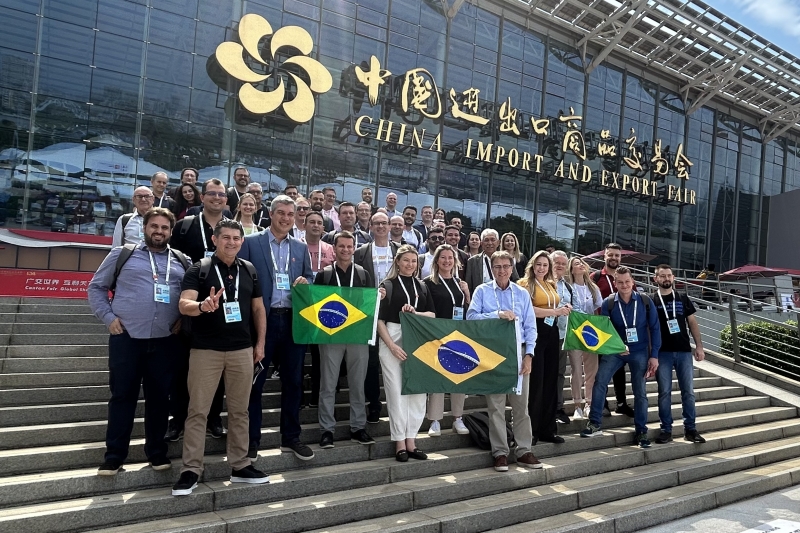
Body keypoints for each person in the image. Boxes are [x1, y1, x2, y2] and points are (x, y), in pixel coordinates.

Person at [171, 219, 268, 496]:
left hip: (241, 350)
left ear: (242, 241)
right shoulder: (199, 269)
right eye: (226, 237)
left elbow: (259, 310)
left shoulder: (249, 270)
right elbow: (184, 304)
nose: (232, 242)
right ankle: (191, 469)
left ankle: (240, 465)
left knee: (240, 411)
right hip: (206, 351)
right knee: (198, 411)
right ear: (215, 240)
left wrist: (259, 344)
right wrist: (203, 305)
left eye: (237, 238)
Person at [89, 208, 187, 476]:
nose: (159, 231)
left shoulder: (181, 260)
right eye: (154, 226)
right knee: (122, 397)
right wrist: (108, 317)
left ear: (171, 231)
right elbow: (96, 288)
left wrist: (184, 321)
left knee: (159, 400)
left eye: (165, 228)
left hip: (166, 341)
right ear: (145, 228)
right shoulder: (122, 254)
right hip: (127, 338)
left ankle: (156, 453)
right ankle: (114, 456)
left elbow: (191, 296)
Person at [239, 195, 315, 460]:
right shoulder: (251, 243)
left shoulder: (300, 247)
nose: (285, 218)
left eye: (290, 215)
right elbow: (241, 279)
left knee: (294, 382)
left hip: (293, 320)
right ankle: (251, 441)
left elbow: (311, 278)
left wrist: (307, 281)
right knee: (255, 383)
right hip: (262, 321)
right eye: (281, 213)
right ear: (271, 214)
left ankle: (291, 437)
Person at [167, 178, 230, 441]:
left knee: (217, 368)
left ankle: (213, 417)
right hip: (190, 308)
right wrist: (178, 312)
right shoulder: (185, 227)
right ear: (201, 197)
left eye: (221, 194)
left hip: (222, 310)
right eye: (212, 194)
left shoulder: (231, 229)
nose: (217, 198)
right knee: (182, 368)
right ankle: (178, 419)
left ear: (226, 200)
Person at [467, 250, 540, 471]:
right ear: (491, 268)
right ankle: (500, 452)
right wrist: (496, 314)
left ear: (512, 268)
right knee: (496, 407)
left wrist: (529, 355)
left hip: (518, 355)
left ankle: (524, 450)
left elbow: (530, 326)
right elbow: (470, 318)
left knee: (521, 407)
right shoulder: (481, 291)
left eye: (506, 266)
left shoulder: (522, 293)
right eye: (497, 266)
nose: (502, 270)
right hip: (492, 356)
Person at [581, 266, 660, 448]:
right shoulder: (609, 303)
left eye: (627, 281)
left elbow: (655, 329)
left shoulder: (644, 301)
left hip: (639, 352)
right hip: (616, 351)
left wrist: (654, 355)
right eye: (620, 282)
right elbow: (606, 329)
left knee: (640, 391)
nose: (624, 285)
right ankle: (594, 423)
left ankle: (641, 431)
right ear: (615, 283)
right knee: (600, 382)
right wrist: (616, 346)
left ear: (632, 282)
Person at [315, 231, 376, 449]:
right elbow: (316, 305)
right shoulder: (324, 274)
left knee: (357, 383)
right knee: (328, 384)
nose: (346, 250)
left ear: (354, 248)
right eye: (342, 246)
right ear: (335, 248)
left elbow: (370, 304)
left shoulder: (363, 274)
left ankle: (358, 427)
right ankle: (326, 430)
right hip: (331, 335)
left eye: (350, 247)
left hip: (357, 335)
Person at [377, 245, 436, 461]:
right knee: (396, 393)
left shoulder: (422, 285)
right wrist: (392, 346)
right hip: (392, 338)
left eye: (414, 261)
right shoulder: (387, 285)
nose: (410, 264)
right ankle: (399, 442)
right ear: (397, 262)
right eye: (406, 260)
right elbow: (379, 320)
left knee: (418, 392)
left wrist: (416, 313)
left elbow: (432, 314)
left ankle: (412, 440)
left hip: (417, 340)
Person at [518, 251, 571, 445]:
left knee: (550, 381)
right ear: (532, 265)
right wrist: (555, 311)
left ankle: (548, 429)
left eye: (545, 265)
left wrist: (562, 310)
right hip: (535, 332)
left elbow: (554, 308)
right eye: (538, 264)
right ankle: (530, 431)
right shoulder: (524, 284)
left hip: (552, 331)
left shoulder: (550, 284)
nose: (541, 268)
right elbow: (527, 310)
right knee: (536, 383)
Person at [354, 212, 400, 423]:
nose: (381, 226)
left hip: (395, 313)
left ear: (390, 226)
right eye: (377, 223)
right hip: (368, 312)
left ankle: (398, 406)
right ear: (370, 227)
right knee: (371, 363)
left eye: (384, 223)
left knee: (397, 360)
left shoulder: (400, 251)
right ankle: (373, 404)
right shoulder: (361, 252)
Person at [652, 264, 706, 444]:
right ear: (656, 279)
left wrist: (699, 346)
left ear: (673, 277)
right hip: (662, 353)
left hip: (683, 351)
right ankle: (666, 430)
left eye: (669, 275)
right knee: (664, 392)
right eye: (662, 276)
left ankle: (690, 429)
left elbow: (692, 322)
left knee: (688, 392)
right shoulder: (652, 300)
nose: (666, 279)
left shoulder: (682, 297)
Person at [422, 244, 471, 437]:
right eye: (443, 257)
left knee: (459, 377)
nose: (447, 261)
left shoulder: (460, 283)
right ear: (436, 261)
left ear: (455, 261)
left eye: (450, 258)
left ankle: (458, 417)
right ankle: (435, 420)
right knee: (438, 379)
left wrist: (466, 293)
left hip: (459, 336)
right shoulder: (428, 283)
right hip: (438, 337)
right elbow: (431, 311)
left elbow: (467, 308)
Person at [591, 242, 634, 418]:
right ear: (604, 256)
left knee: (619, 368)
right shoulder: (595, 277)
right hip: (602, 330)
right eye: (611, 255)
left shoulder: (626, 277)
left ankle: (621, 402)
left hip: (622, 330)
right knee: (602, 369)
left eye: (617, 255)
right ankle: (603, 403)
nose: (614, 258)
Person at [303, 210, 335, 408]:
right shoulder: (297, 247)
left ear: (324, 228)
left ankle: (316, 396)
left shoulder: (330, 248)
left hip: (324, 307)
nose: (316, 225)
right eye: (312, 222)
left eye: (319, 223)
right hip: (302, 305)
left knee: (319, 355)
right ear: (305, 225)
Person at [565, 257, 602, 420]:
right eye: (576, 264)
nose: (580, 265)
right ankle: (577, 405)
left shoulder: (593, 287)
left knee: (591, 370)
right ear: (571, 270)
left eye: (581, 263)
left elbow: (596, 309)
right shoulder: (568, 287)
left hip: (590, 332)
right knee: (577, 369)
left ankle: (589, 403)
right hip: (574, 332)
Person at [551, 250, 576, 424]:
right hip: (541, 336)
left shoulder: (567, 286)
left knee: (559, 373)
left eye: (563, 263)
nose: (559, 266)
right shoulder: (540, 283)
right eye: (556, 262)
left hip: (561, 335)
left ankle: (558, 407)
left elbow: (574, 310)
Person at [465, 229, 517, 294]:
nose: (490, 243)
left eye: (493, 240)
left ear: (498, 242)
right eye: (486, 240)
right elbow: (468, 285)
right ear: (481, 243)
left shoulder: (507, 259)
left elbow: (515, 280)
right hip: (481, 299)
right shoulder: (472, 261)